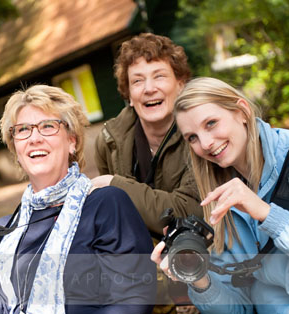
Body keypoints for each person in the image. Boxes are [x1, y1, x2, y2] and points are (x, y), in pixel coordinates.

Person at [0, 85, 156, 314]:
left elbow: (133, 300)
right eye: (22, 130)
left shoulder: (106, 206)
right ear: (16, 150)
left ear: (71, 141)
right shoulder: (2, 231)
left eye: (47, 126)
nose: (34, 138)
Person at [151, 77, 289, 313]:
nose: (205, 143)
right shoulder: (219, 195)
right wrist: (197, 276)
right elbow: (238, 308)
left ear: (241, 111)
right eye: (192, 137)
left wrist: (266, 214)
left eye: (211, 123)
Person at [92, 32, 202, 311]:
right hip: (137, 280)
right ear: (128, 95)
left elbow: (188, 210)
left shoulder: (202, 134)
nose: (148, 88)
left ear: (181, 83)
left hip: (201, 268)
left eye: (159, 76)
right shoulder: (109, 140)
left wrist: (114, 184)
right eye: (137, 80)